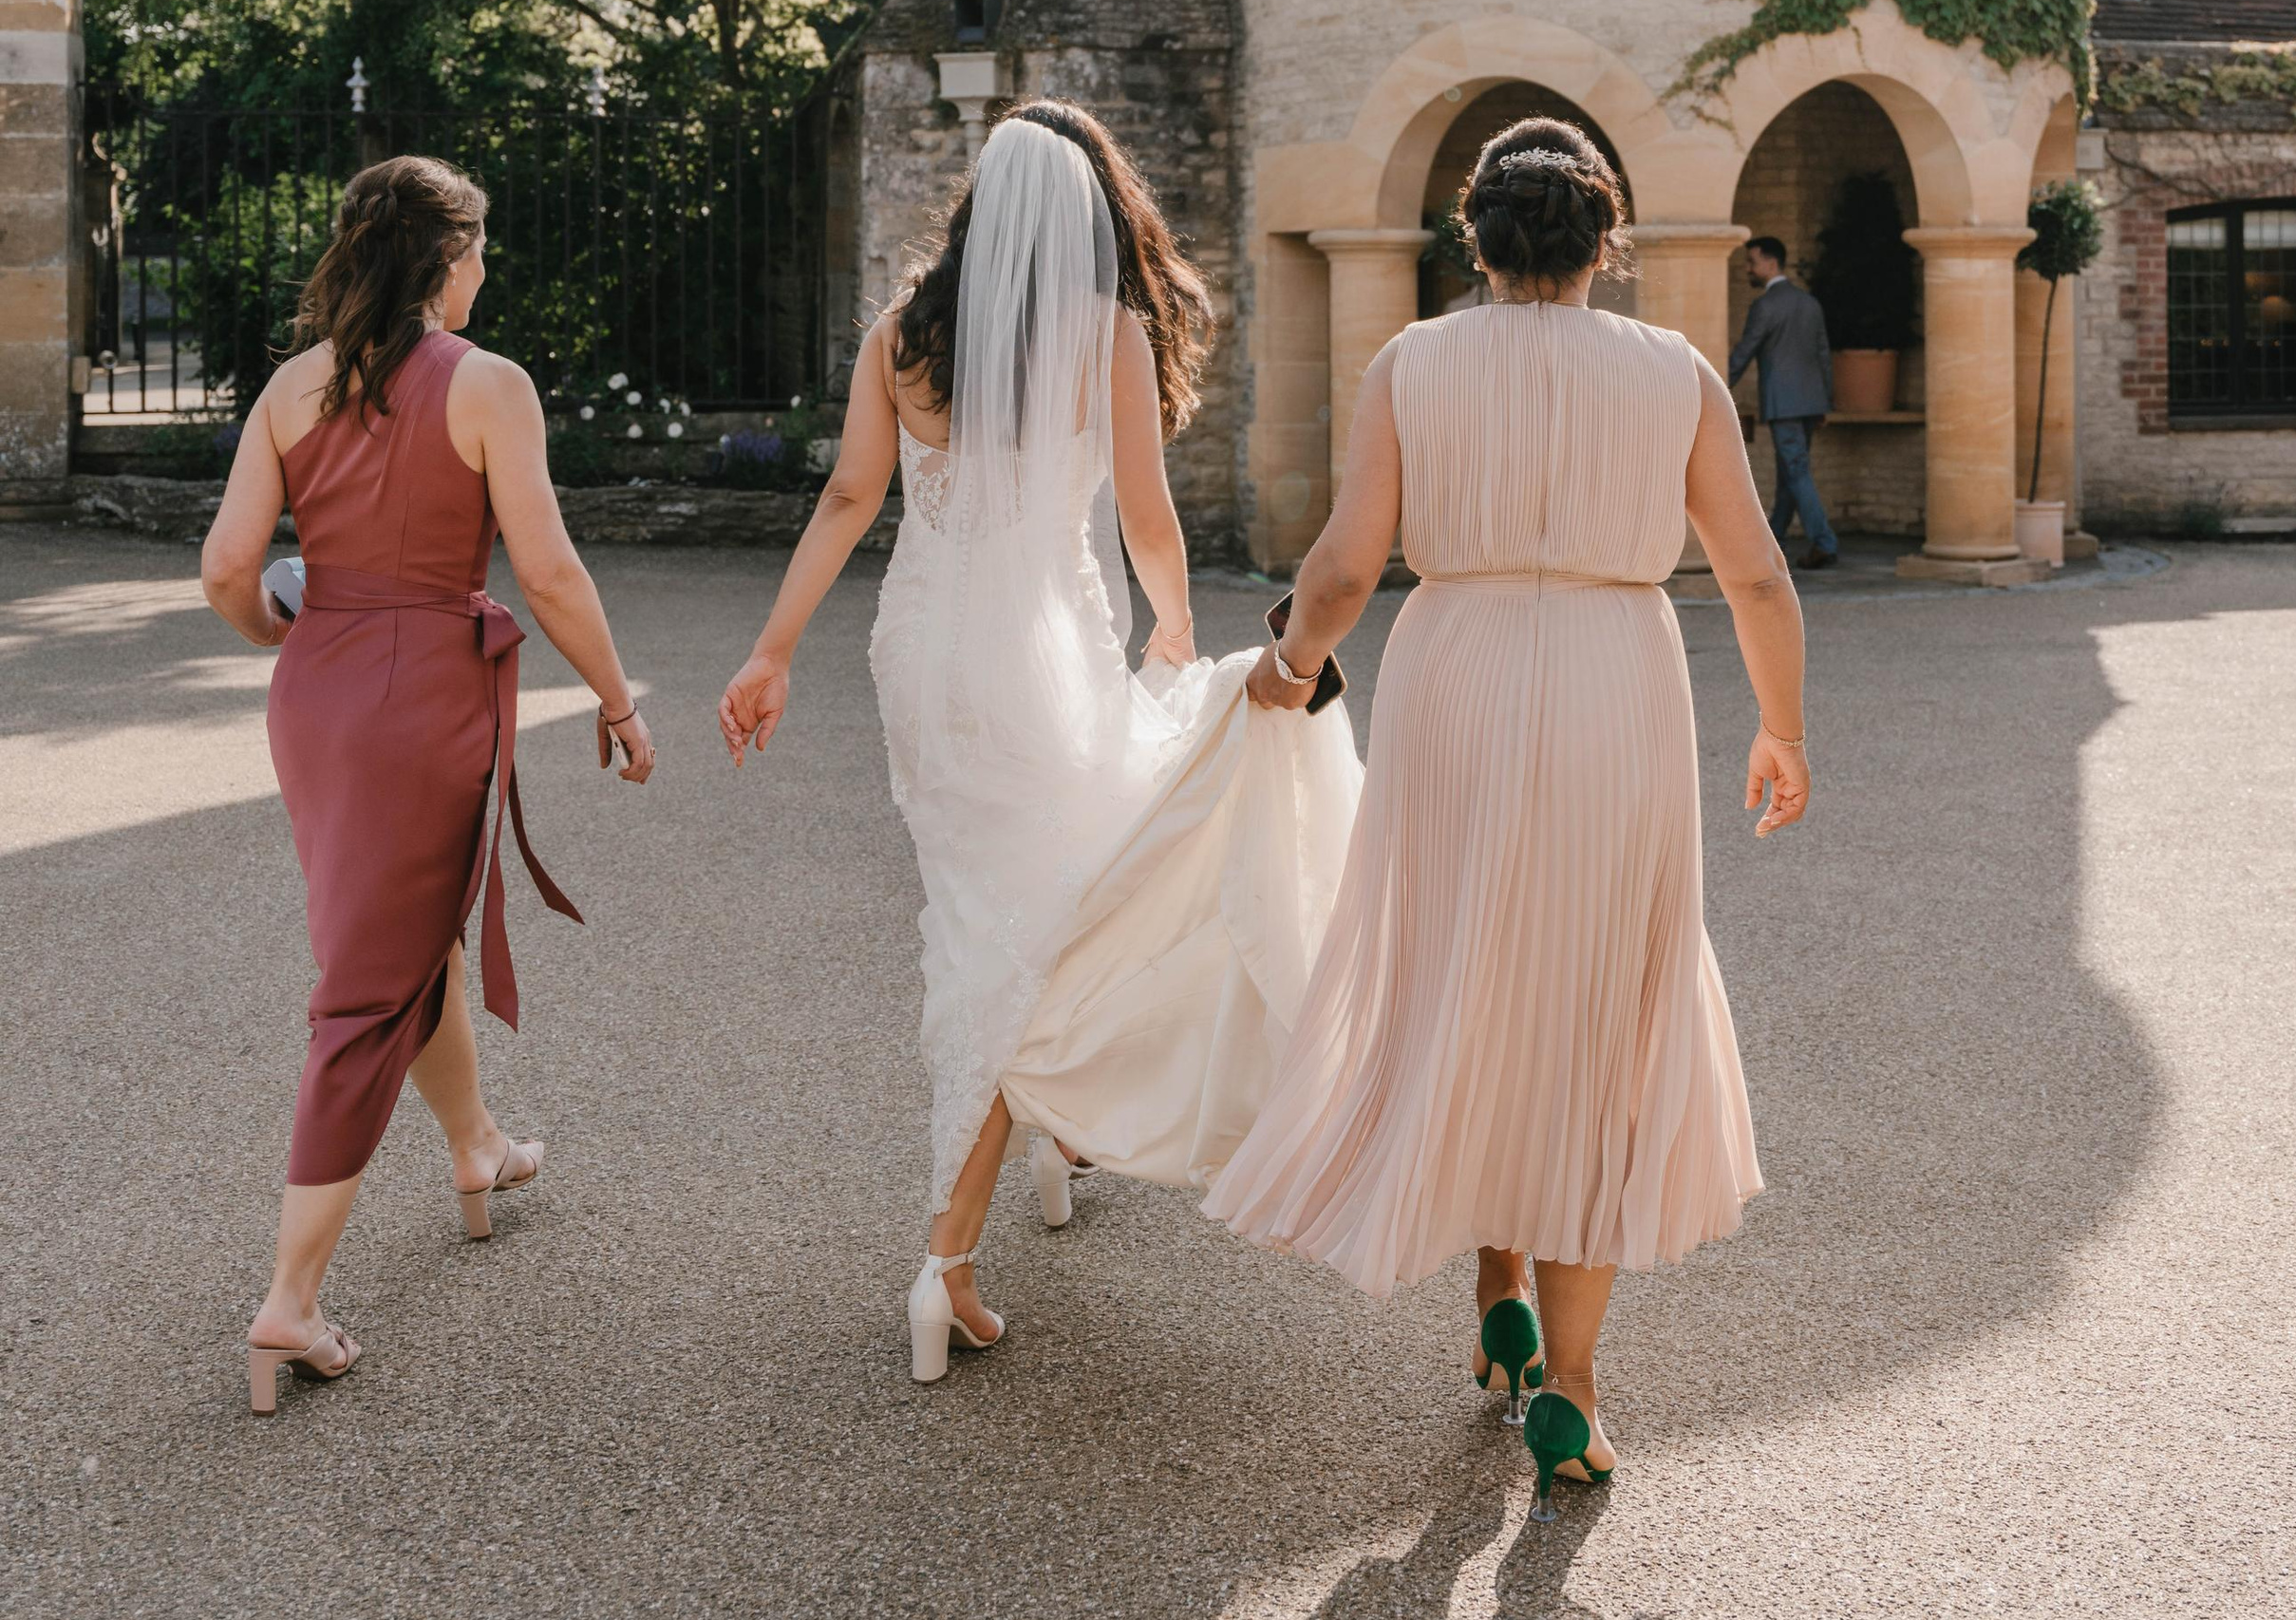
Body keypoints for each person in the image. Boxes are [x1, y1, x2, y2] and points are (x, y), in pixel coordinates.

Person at [1207, 120, 1809, 1510]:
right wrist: (1782, 727)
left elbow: (1351, 562)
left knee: (1469, 967)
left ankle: (1497, 1288)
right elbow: (1759, 577)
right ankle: (1577, 1395)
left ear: (1470, 240)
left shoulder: (1413, 362)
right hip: (1619, 681)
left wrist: (1291, 667)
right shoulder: (1676, 373)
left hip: (1457, 671)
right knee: (1597, 1004)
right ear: (1610, 243)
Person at [717, 104, 1359, 1383]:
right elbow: (1143, 512)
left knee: (988, 906)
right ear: (1079, 215)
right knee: (1050, 917)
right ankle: (947, 1255)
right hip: (1044, 652)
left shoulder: (906, 336)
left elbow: (851, 496)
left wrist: (772, 648)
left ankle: (1049, 1151)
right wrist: (1176, 630)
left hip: (925, 652)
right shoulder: (1103, 335)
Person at [200, 155, 655, 1417]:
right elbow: (550, 575)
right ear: (443, 260)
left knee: (404, 934)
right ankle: (289, 1300)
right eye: (481, 249)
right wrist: (617, 702)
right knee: (366, 987)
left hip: (322, 693)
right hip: (424, 699)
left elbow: (230, 565)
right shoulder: (488, 387)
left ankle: (475, 1147)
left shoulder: (291, 389)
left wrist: (281, 638)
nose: (488, 269)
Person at [1729, 234, 1838, 570]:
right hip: (1809, 403)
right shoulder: (1809, 303)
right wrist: (1825, 402)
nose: (1748, 268)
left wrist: (1714, 386)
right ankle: (1774, 539)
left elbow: (1745, 351)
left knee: (1796, 471)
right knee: (1789, 473)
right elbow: (1823, 355)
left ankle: (1824, 542)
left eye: (1752, 261)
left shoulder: (1765, 305)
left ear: (1771, 263)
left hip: (1784, 404)